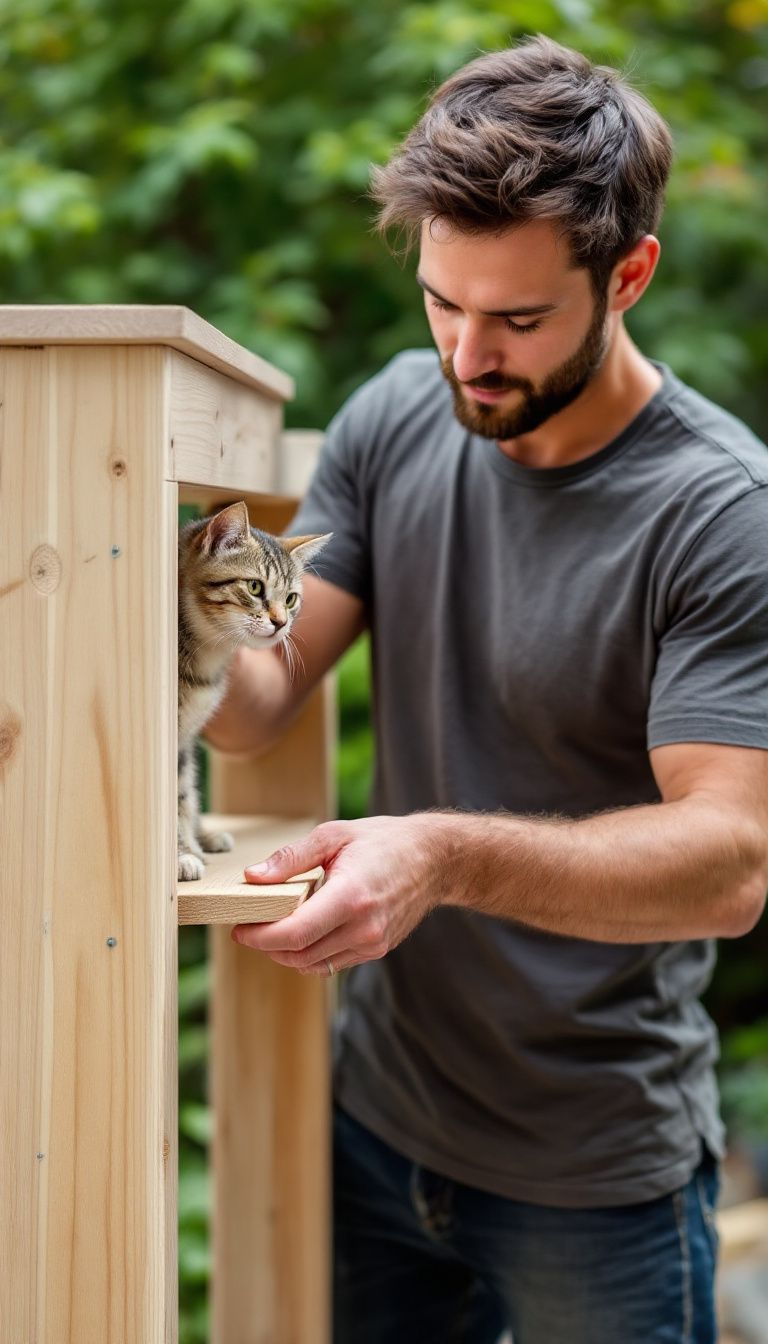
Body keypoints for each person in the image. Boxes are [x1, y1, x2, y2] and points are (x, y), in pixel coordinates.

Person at [203, 32, 768, 1344]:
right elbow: (261, 699)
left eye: (517, 320)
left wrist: (440, 857)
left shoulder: (719, 514)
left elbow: (731, 862)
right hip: (377, 1126)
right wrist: (161, 606)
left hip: (595, 1179)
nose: (467, 356)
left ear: (628, 276)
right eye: (443, 305)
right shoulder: (397, 416)